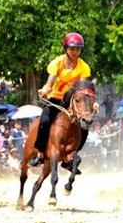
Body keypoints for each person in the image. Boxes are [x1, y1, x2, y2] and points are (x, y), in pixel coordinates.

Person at [29, 32, 99, 171]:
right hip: (55, 99)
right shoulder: (56, 63)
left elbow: (84, 89)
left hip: (72, 102)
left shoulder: (84, 66)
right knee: (44, 121)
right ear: (66, 48)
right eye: (72, 49)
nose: (75, 52)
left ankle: (70, 159)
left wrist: (92, 103)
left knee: (85, 127)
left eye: (78, 49)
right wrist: (45, 90)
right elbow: (49, 84)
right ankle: (40, 154)